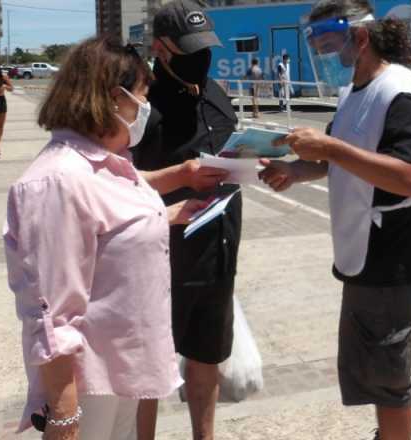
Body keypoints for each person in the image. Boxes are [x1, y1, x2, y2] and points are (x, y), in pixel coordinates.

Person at [5, 36, 225, 440]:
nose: (146, 108)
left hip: (124, 369)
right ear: (111, 99)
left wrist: (171, 204)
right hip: (91, 383)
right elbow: (50, 313)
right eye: (142, 96)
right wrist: (65, 416)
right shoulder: (58, 182)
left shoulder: (107, 163)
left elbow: (117, 206)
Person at [259, 0, 411, 438]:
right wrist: (296, 169)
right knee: (374, 368)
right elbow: (343, 162)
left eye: (329, 42)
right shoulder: (352, 94)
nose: (325, 55)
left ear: (360, 38)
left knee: (390, 377)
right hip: (363, 249)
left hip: (395, 251)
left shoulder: (402, 91)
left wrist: (329, 150)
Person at [132, 1, 242, 438]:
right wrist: (180, 179)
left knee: (207, 356)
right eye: (189, 48)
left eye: (205, 46)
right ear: (160, 48)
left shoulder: (216, 94)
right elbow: (118, 185)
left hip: (218, 251)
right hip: (161, 257)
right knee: (149, 368)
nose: (201, 57)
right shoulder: (141, 107)